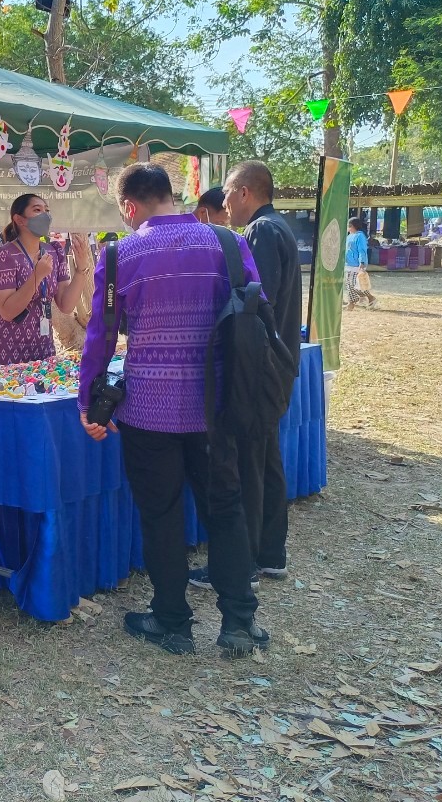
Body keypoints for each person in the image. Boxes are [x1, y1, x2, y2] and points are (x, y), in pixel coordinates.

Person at [78, 163, 265, 657]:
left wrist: (88, 402)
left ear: (129, 207)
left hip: (148, 410)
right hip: (217, 406)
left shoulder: (121, 254)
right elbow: (256, 310)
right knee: (225, 509)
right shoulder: (226, 243)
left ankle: (172, 621)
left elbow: (100, 338)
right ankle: (239, 622)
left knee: (160, 516)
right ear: (172, 195)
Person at [216, 160, 301, 588]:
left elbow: (251, 303)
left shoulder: (262, 233)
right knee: (266, 458)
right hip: (276, 361)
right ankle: (270, 553)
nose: (225, 203)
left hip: (259, 363)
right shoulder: (278, 228)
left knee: (249, 463)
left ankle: (242, 562)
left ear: (245, 192)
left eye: (228, 193)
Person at [0, 194, 91, 367]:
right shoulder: (3, 255)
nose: (45, 215)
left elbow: (66, 305)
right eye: (37, 210)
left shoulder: (54, 252)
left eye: (47, 210)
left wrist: (80, 270)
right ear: (19, 220)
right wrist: (37, 276)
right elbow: (7, 311)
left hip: (44, 347)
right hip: (8, 348)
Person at [344, 217, 377, 309]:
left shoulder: (360, 236)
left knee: (353, 284)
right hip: (348, 264)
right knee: (350, 284)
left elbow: (362, 250)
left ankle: (355, 301)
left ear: (352, 226)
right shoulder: (349, 236)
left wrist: (361, 262)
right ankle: (363, 300)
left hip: (356, 264)